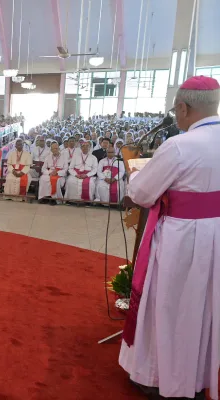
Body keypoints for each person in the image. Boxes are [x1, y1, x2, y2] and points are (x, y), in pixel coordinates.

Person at [119, 76, 220, 400]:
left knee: (171, 307)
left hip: (183, 239)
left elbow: (142, 192)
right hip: (215, 236)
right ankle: (200, 375)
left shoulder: (179, 145)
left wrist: (135, 175)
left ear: (182, 107)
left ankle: (161, 378)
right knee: (205, 309)